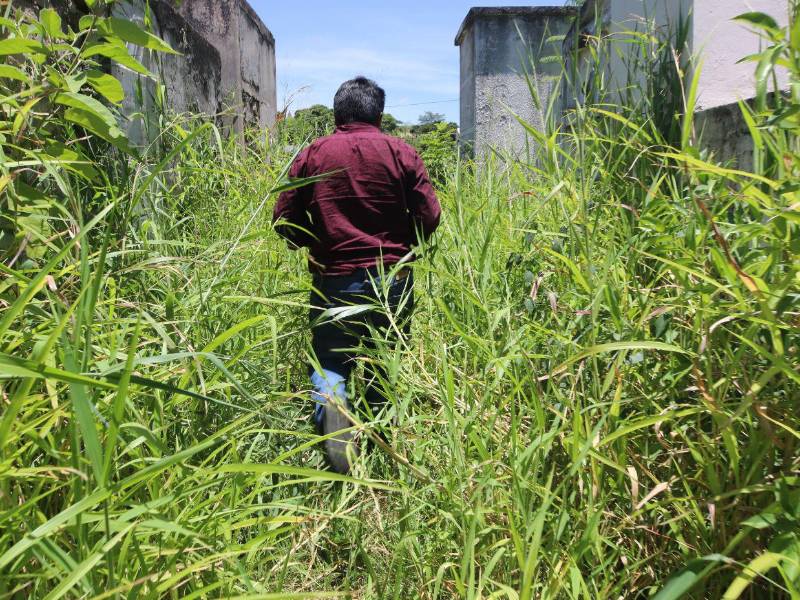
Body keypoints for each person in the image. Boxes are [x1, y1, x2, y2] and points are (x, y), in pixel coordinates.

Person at [273, 77, 441, 473]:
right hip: (393, 277)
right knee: (385, 360)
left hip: (333, 278)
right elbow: (430, 216)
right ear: (379, 116)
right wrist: (404, 245)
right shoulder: (402, 152)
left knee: (331, 361)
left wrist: (314, 245)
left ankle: (338, 437)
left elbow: (283, 219)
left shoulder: (313, 154)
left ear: (336, 115)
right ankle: (383, 452)